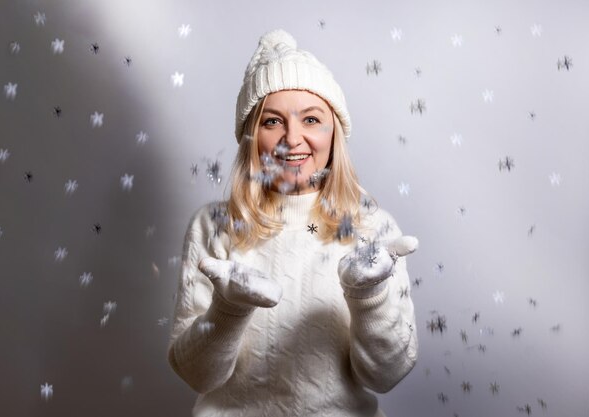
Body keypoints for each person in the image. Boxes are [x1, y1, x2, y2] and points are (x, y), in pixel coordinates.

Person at [167, 28, 419, 417]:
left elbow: (385, 376)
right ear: (251, 136)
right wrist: (227, 308)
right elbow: (197, 376)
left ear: (334, 131)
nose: (292, 139)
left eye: (312, 119)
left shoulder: (371, 228)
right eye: (272, 122)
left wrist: (369, 297)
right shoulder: (214, 225)